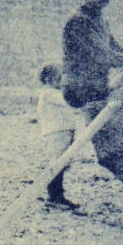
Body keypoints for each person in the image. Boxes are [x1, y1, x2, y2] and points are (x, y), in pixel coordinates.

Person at [34, 63, 83, 210]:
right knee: (57, 164)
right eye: (59, 78)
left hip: (64, 131)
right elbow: (69, 102)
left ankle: (57, 195)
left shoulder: (53, 93)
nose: (62, 82)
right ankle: (54, 197)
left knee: (61, 163)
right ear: (49, 79)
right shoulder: (49, 93)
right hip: (57, 132)